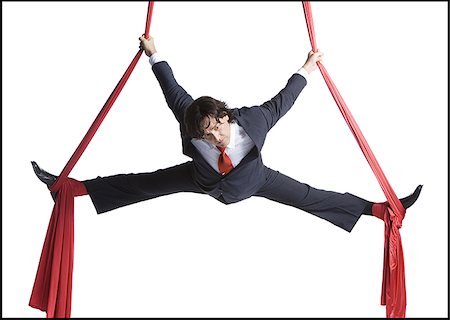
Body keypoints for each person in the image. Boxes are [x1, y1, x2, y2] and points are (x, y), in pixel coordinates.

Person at [31, 34, 422, 232]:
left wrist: (308, 67)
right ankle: (71, 188)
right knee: (142, 184)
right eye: (205, 135)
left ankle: (378, 211)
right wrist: (153, 52)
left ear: (224, 115)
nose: (214, 136)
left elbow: (284, 99)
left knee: (309, 196)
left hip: (253, 180)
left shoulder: (252, 121)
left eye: (217, 126)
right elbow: (172, 88)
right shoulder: (193, 122)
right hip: (201, 180)